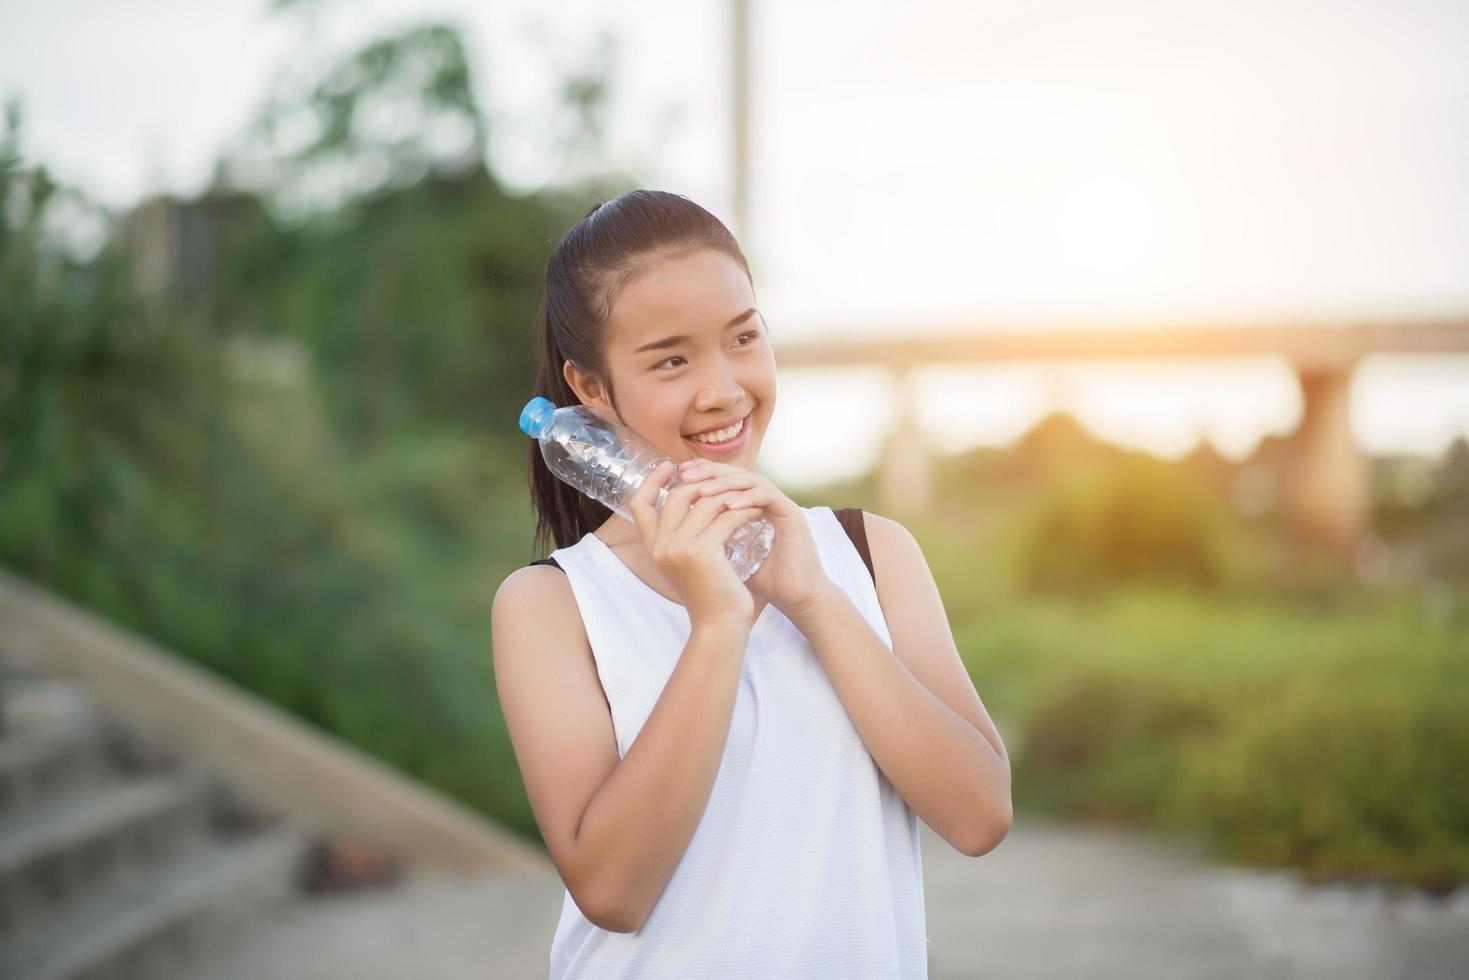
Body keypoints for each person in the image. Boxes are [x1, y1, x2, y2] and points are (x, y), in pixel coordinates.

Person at [491, 189, 1011, 979]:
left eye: (743, 338)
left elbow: (978, 816)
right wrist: (716, 625)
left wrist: (814, 601)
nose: (723, 388)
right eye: (671, 359)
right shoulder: (552, 605)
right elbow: (612, 891)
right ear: (589, 388)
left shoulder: (870, 555)